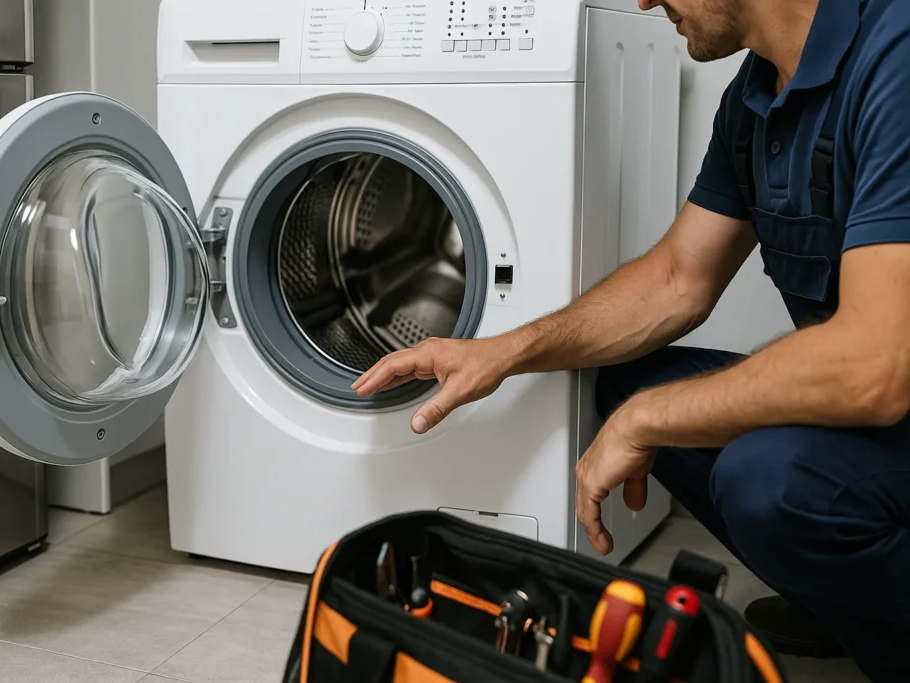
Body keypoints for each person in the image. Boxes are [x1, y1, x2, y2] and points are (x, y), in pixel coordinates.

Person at [352, 0, 910, 679]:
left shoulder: (896, 54)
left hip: (890, 395)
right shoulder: (756, 96)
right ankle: (847, 603)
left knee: (763, 476)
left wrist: (648, 420)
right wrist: (499, 352)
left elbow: (874, 368)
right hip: (885, 425)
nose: (643, 1)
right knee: (628, 383)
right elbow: (678, 278)